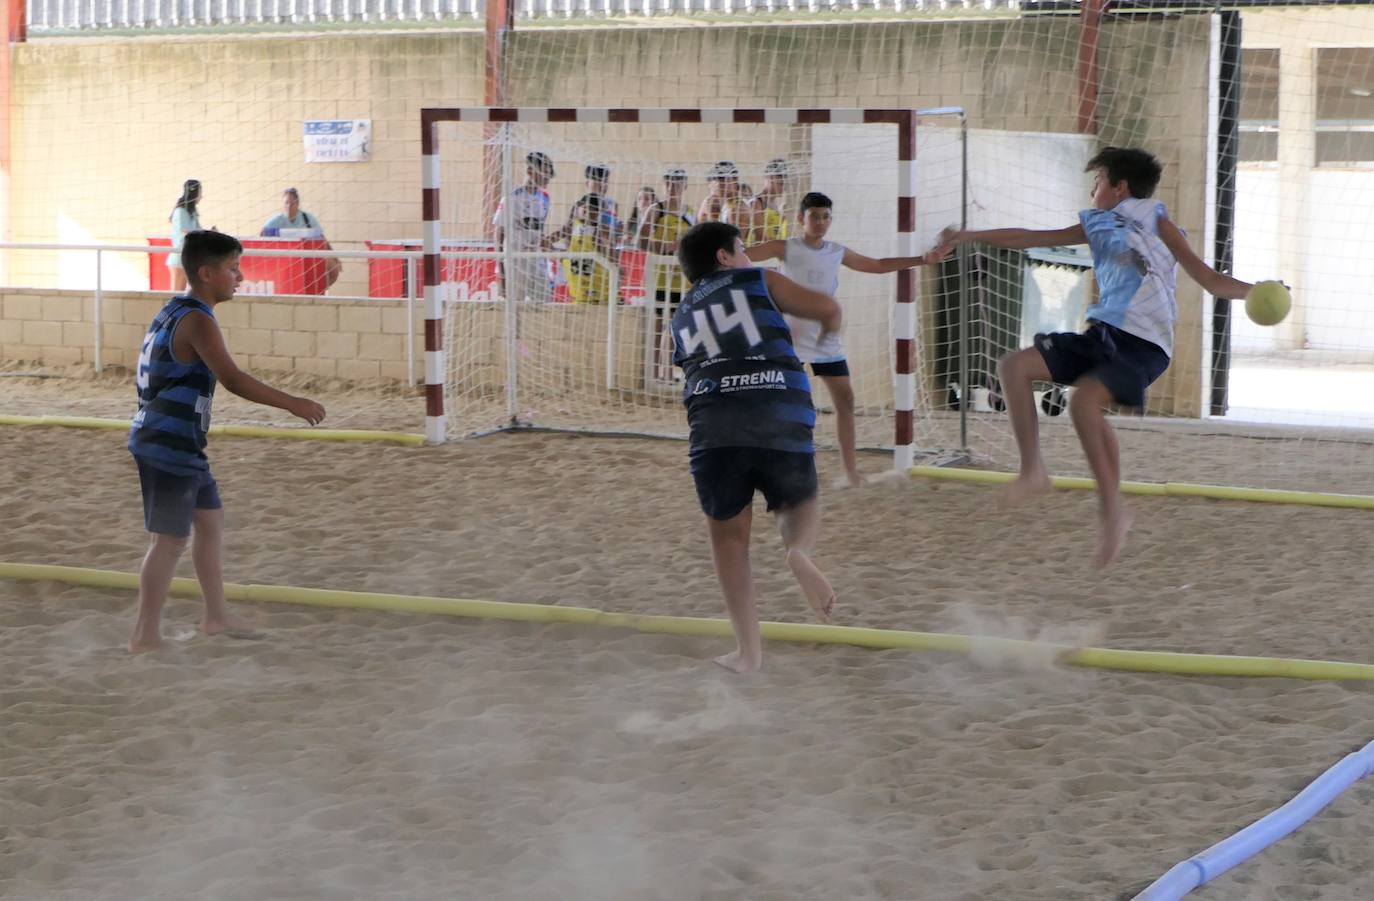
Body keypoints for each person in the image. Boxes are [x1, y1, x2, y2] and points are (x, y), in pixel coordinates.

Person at [938, 147, 1256, 566]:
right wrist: (968, 236)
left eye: (1098, 181)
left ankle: (1112, 512)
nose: (1093, 190)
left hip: (1144, 344)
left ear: (1120, 187)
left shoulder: (1158, 221)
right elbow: (1031, 238)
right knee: (1014, 366)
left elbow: (1209, 279)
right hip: (1103, 333)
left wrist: (1255, 291)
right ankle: (1033, 470)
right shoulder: (1095, 224)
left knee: (1083, 402)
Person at [127, 230, 326, 653]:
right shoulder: (197, 319)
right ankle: (145, 636)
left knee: (210, 522)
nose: (240, 276)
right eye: (233, 268)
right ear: (206, 273)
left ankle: (216, 617)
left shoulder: (175, 308)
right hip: (167, 443)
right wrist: (293, 403)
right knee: (169, 541)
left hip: (177, 441)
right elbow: (232, 379)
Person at [672, 220, 842, 674]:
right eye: (743, 249)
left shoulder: (681, 311)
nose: (748, 256)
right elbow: (828, 307)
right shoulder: (758, 278)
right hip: (778, 407)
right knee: (798, 503)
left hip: (714, 423)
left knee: (729, 538)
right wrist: (826, 336)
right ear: (725, 257)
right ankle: (798, 552)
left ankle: (747, 654)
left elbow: (692, 364)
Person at [747, 191, 947, 487]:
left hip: (826, 341)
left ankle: (851, 472)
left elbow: (877, 265)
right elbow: (742, 258)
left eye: (826, 216)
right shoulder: (784, 247)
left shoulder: (836, 252)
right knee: (780, 404)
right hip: (789, 340)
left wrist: (922, 259)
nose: (820, 221)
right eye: (814, 216)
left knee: (846, 401)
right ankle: (766, 466)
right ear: (801, 218)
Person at [638, 169, 695, 379]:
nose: (672, 188)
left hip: (681, 279)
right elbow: (640, 241)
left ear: (684, 187)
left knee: (674, 326)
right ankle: (654, 373)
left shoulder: (690, 212)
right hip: (659, 278)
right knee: (657, 325)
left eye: (677, 184)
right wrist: (667, 248)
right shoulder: (656, 210)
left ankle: (669, 373)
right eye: (669, 184)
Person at [492, 151, 555, 304]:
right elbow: (498, 235)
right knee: (514, 308)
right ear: (530, 171)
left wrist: (550, 248)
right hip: (515, 263)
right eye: (544, 173)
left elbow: (538, 232)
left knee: (544, 305)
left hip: (536, 262)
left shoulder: (545, 198)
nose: (547, 178)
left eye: (549, 174)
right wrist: (502, 273)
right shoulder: (512, 197)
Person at [260, 187, 341, 289]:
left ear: (297, 204)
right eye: (286, 203)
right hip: (284, 259)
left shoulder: (307, 218)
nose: (289, 206)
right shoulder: (278, 220)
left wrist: (335, 257)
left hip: (307, 257)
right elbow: (262, 233)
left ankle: (319, 290)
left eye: (292, 203)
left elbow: (322, 238)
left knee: (333, 268)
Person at [167, 179, 203, 293]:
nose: (201, 197)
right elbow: (186, 233)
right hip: (179, 257)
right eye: (200, 193)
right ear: (195, 193)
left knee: (185, 294)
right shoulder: (180, 211)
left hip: (189, 257)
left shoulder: (192, 212)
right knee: (176, 294)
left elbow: (199, 230)